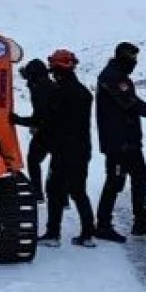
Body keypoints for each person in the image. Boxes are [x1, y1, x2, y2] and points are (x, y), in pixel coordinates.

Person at [94, 42, 146, 242]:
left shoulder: (118, 75)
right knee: (115, 182)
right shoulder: (112, 77)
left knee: (140, 177)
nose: (135, 63)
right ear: (124, 58)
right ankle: (103, 225)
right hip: (118, 142)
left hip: (128, 140)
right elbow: (129, 103)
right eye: (132, 59)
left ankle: (140, 221)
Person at [39, 49, 97, 247]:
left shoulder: (58, 92)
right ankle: (88, 234)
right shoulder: (83, 92)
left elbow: (49, 121)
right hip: (82, 149)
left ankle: (53, 234)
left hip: (63, 150)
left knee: (54, 191)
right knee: (79, 192)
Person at [10, 59, 55, 203]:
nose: (27, 80)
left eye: (29, 76)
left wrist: (19, 120)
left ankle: (38, 193)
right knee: (56, 163)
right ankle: (60, 195)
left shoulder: (40, 89)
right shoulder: (47, 86)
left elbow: (40, 116)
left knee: (33, 160)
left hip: (47, 131)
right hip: (57, 131)